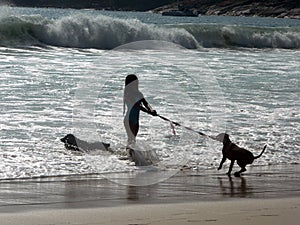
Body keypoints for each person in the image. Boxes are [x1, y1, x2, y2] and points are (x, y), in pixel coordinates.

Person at [123, 74, 157, 146]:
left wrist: (151, 110)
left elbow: (146, 104)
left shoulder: (139, 94)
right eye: (134, 83)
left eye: (137, 83)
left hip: (136, 120)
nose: (136, 84)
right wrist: (149, 112)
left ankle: (129, 154)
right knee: (132, 139)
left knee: (133, 139)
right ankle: (130, 154)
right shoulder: (128, 94)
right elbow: (138, 106)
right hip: (129, 120)